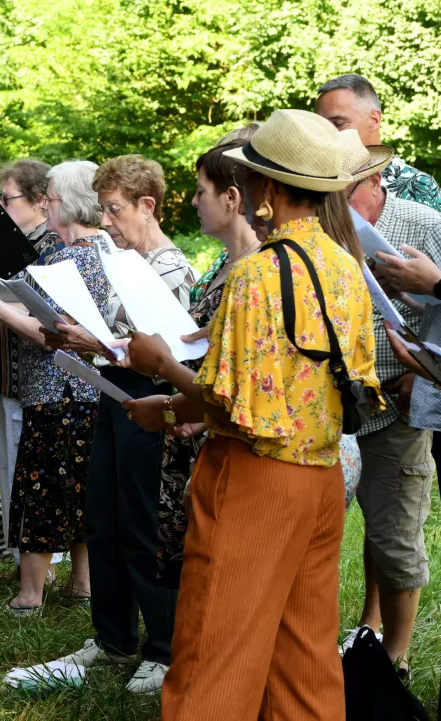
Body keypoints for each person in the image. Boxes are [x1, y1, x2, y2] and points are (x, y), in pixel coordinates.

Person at [121, 109, 381, 720]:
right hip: (320, 481)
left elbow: (226, 401)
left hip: (254, 481)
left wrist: (161, 365)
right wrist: (170, 406)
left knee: (214, 654)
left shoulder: (258, 275)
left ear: (266, 189)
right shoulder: (346, 268)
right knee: (305, 658)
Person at [45, 154, 196, 694]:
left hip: (152, 404)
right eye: (103, 210)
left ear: (146, 206)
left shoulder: (175, 270)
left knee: (142, 525)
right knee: (101, 516)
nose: (105, 221)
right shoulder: (124, 263)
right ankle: (112, 636)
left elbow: (171, 353)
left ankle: (161, 646)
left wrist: (100, 343)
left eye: (113, 210)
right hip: (114, 397)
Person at [0, 159, 108, 613]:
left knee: (39, 492)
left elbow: (52, 331)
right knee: (81, 492)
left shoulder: (70, 256)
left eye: (53, 198)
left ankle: (29, 595)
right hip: (87, 389)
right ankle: (81, 585)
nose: (47, 205)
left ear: (72, 202)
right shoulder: (101, 250)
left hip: (56, 390)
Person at [336, 129, 441, 678]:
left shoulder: (425, 225)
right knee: (362, 528)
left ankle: (393, 664)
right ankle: (365, 633)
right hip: (335, 405)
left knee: (396, 532)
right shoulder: (326, 229)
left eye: (344, 189)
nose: (333, 201)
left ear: (375, 181)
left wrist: (421, 382)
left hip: (400, 404)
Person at [155, 133, 264, 588]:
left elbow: (250, 378)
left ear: (233, 198)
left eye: (201, 190)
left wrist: (192, 411)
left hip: (223, 434)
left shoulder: (258, 271)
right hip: (192, 419)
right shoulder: (222, 263)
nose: (196, 200)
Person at [0, 161, 48, 560]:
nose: (2, 206)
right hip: (6, 367)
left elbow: (43, 310)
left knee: (28, 465)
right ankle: (16, 551)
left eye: (8, 198)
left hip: (34, 374)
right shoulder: (8, 240)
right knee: (8, 462)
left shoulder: (49, 244)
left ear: (39, 199)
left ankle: (38, 562)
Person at [316, 74, 441, 212]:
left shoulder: (418, 186)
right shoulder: (314, 182)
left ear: (374, 120)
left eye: (338, 123)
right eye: (321, 125)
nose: (327, 133)